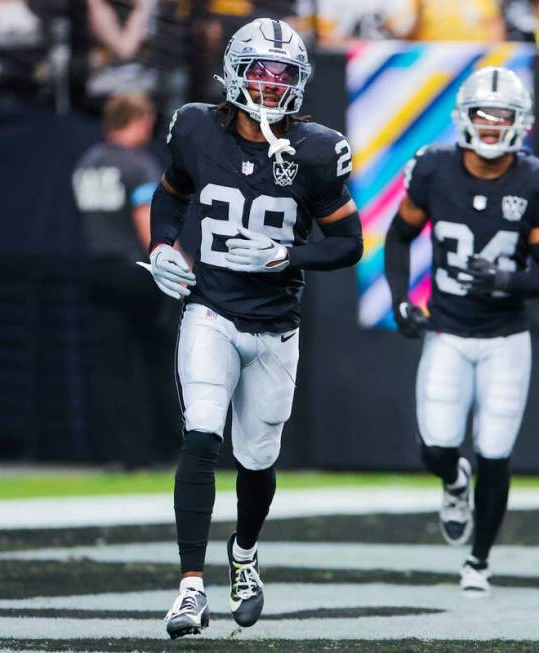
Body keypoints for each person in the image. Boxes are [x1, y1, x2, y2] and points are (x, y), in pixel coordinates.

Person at [140, 17, 363, 638]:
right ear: (234, 71)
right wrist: (163, 247)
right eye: (260, 71)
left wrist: (288, 255)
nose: (269, 84)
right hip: (209, 308)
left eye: (283, 74)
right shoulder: (193, 127)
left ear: (299, 82)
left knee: (258, 456)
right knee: (201, 435)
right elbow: (170, 194)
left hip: (274, 326)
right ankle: (189, 587)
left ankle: (243, 555)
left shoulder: (317, 149)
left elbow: (349, 242)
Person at [384, 66, 539, 597]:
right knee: (436, 446)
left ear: (520, 122)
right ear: (464, 118)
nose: (491, 125)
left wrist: (509, 278)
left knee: (495, 451)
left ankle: (479, 561)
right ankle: (452, 480)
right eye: (483, 115)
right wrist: (401, 300)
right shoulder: (433, 169)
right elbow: (399, 239)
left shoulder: (537, 180)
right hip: (447, 330)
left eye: (502, 115)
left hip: (506, 338)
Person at [72, 91, 178, 469]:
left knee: (112, 367)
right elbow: (147, 223)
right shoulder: (136, 164)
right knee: (157, 361)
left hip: (99, 271)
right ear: (137, 120)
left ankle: (121, 453)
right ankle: (167, 449)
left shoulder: (87, 163)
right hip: (136, 273)